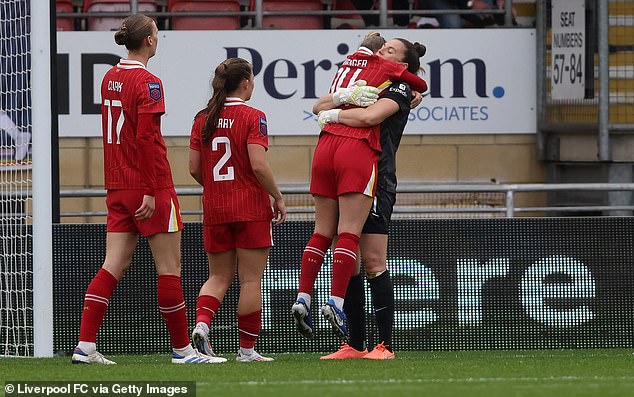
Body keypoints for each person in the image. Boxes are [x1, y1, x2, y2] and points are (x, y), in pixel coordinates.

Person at [72, 14, 225, 365]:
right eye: (157, 33)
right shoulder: (149, 82)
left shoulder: (110, 76)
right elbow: (146, 138)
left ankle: (85, 345)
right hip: (148, 186)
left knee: (113, 264)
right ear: (150, 41)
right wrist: (153, 189)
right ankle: (183, 351)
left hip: (116, 184)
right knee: (170, 267)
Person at [291, 33, 427, 343]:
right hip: (350, 165)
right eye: (382, 46)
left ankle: (384, 344)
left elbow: (370, 116)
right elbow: (319, 104)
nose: (381, 50)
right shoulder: (369, 77)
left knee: (373, 260)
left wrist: (336, 113)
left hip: (378, 175)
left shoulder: (400, 86)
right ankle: (353, 343)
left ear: (402, 63)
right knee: (347, 256)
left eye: (389, 49)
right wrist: (341, 99)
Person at [188, 58, 287, 363]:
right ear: (245, 83)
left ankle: (203, 325)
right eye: (253, 79)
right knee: (249, 280)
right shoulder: (253, 116)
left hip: (215, 209)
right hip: (250, 209)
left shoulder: (202, 118)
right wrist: (277, 195)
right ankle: (246, 351)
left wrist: (218, 189)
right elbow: (258, 164)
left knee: (217, 276)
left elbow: (194, 168)